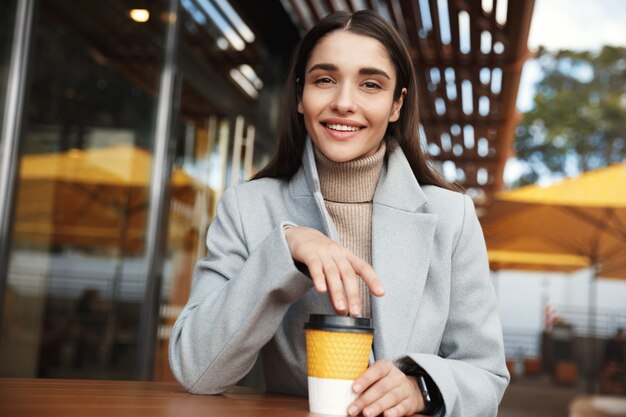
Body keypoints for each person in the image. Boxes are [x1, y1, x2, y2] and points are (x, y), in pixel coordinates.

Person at [169, 10, 509, 417]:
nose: (344, 103)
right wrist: (284, 251)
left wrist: (421, 388)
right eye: (324, 80)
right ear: (300, 95)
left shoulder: (452, 217)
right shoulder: (247, 208)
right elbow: (196, 371)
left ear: (397, 104)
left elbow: (486, 373)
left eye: (370, 84)